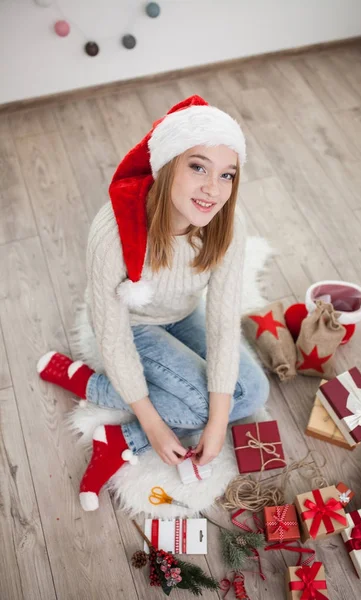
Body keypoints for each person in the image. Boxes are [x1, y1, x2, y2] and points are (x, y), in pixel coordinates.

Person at [37, 95, 269, 511]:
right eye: (198, 166)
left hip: (181, 313)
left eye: (227, 175)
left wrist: (217, 426)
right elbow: (111, 333)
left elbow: (221, 324)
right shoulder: (112, 232)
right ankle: (95, 386)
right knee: (198, 403)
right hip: (133, 324)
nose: (212, 190)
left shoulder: (228, 223)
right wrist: (153, 422)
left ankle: (113, 424)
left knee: (250, 392)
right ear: (166, 166)